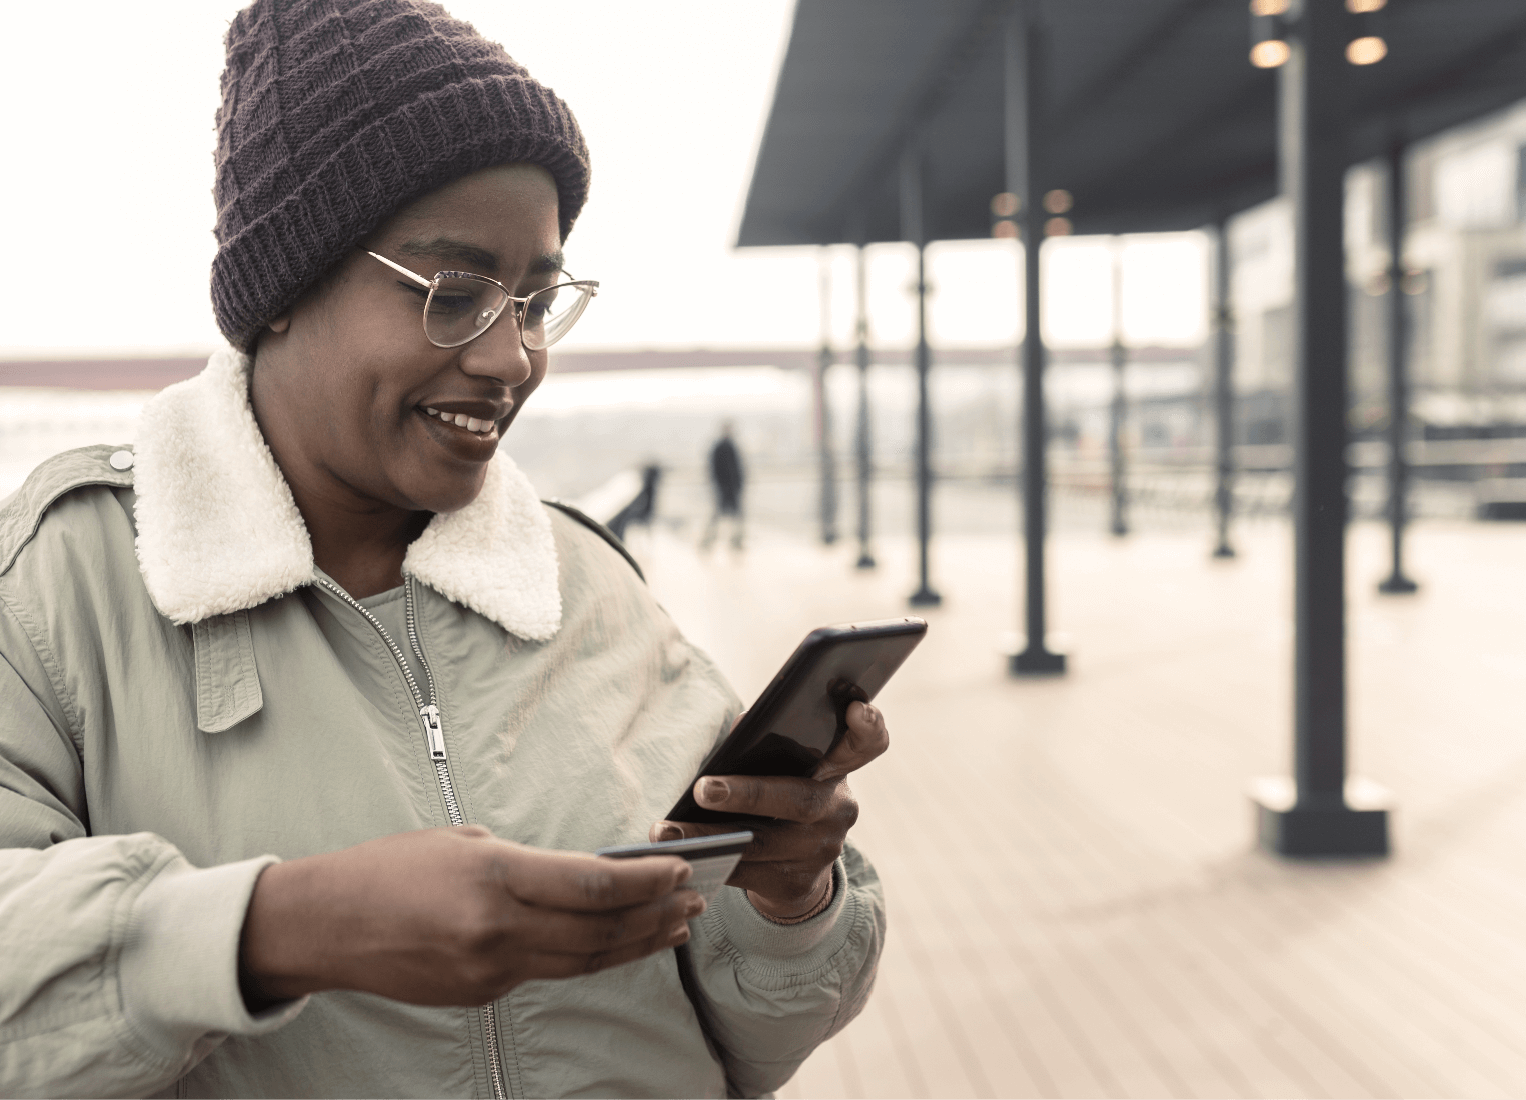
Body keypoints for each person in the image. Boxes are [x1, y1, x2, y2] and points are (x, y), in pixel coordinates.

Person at [0, 3, 887, 1097]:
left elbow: (754, 1047)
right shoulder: (56, 590)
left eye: (534, 299)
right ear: (284, 288)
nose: (511, 356)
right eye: (454, 294)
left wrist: (788, 900)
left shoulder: (590, 586)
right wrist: (273, 929)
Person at [701, 421, 746, 551]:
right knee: (723, 516)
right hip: (726, 488)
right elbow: (720, 470)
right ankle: (711, 541)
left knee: (726, 517)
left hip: (729, 488)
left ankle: (732, 541)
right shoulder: (723, 447)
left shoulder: (727, 446)